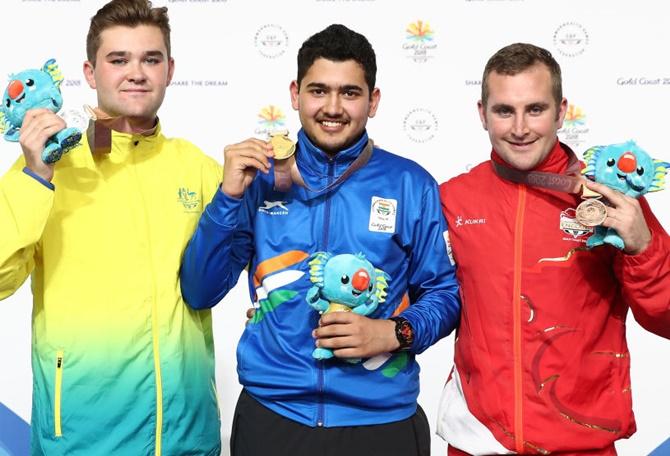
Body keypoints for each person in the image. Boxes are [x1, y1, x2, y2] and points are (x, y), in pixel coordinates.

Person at [180, 24, 460, 456]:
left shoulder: (410, 184)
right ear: (295, 95)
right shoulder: (259, 180)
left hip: (381, 423)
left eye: (349, 92)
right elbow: (199, 290)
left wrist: (393, 332)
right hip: (273, 417)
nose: (333, 107)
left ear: (374, 100)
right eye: (318, 91)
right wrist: (228, 195)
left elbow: (445, 293)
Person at [0, 1, 222, 454]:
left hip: (187, 439)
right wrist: (35, 176)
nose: (135, 72)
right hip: (81, 440)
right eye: (118, 60)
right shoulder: (45, 165)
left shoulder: (198, 168)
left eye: (150, 59)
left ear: (169, 69)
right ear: (89, 70)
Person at [437, 42, 670, 455]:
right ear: (482, 114)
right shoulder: (454, 199)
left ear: (562, 112)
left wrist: (643, 247)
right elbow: (419, 300)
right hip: (478, 443)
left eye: (536, 110)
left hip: (581, 443)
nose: (520, 128)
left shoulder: (609, 198)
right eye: (504, 111)